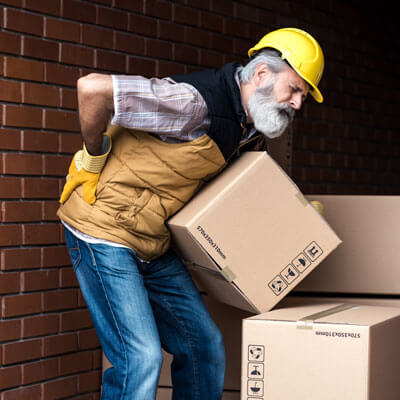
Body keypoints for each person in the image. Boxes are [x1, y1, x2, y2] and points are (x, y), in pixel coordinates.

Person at [57, 27, 325, 400]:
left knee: (204, 346)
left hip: (151, 238)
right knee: (141, 358)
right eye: (294, 89)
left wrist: (291, 213)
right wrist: (93, 153)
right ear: (262, 75)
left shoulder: (247, 126)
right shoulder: (193, 104)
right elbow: (92, 89)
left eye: (302, 96)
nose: (297, 103)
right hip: (103, 230)